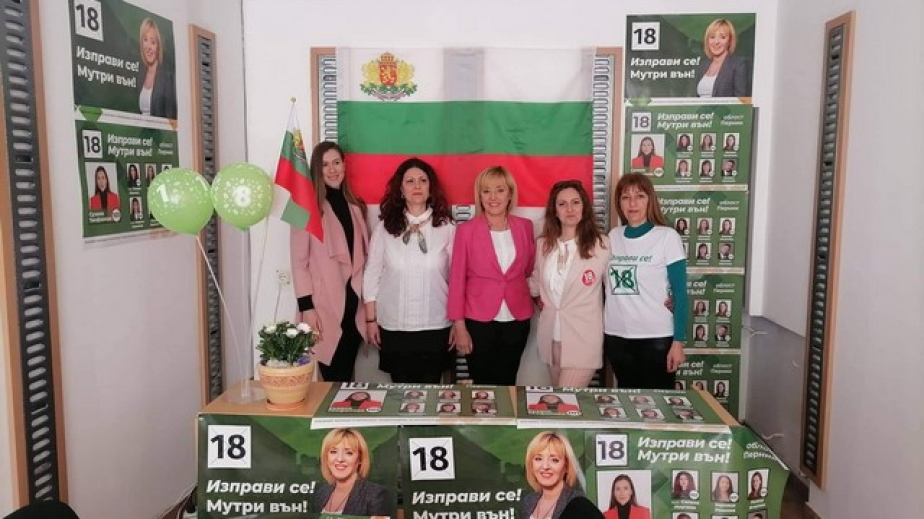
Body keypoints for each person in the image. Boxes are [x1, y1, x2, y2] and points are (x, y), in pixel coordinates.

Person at [364, 158, 455, 383]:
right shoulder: (384, 228)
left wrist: (458, 322)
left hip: (436, 325)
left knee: (431, 393)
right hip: (395, 326)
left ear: (431, 188)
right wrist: (370, 320)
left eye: (423, 180)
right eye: (410, 181)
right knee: (400, 394)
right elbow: (372, 273)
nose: (417, 186)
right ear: (401, 189)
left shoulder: (447, 228)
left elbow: (457, 278)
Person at [448, 166, 535, 385]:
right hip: (478, 321)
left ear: (510, 194)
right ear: (479, 196)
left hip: (517, 319)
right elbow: (457, 280)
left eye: (500, 190)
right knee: (482, 386)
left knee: (508, 381)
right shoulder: (466, 231)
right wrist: (459, 326)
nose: (493, 197)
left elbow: (528, 269)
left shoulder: (525, 227)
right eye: (486, 191)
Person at [291, 142, 369, 382]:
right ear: (317, 169)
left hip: (354, 309)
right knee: (332, 382)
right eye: (325, 165)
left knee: (346, 381)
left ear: (344, 165)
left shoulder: (356, 207)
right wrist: (307, 309)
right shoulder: (303, 208)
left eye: (336, 162)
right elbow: (298, 262)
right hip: (324, 310)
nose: (332, 169)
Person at [604, 174, 687, 390]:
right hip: (617, 336)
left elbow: (680, 293)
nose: (632, 203)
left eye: (639, 196)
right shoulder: (612, 237)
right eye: (626, 197)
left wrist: (678, 342)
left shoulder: (667, 237)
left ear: (650, 200)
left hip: (656, 338)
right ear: (619, 203)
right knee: (627, 401)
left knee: (657, 404)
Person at [530, 180, 609, 387]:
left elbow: (615, 289)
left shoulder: (601, 244)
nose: (570, 209)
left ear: (584, 207)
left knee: (565, 400)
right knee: (559, 400)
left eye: (575, 202)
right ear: (555, 211)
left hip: (583, 339)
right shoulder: (543, 245)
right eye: (562, 204)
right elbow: (535, 285)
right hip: (551, 339)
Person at [315, 428, 389, 516]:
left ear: (360, 459)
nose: (340, 459)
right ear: (326, 457)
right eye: (333, 452)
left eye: (349, 453)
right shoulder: (321, 493)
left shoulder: (375, 495)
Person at [521, 432, 586, 519]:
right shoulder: (528, 501)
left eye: (554, 460)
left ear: (566, 466)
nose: (545, 466)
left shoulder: (578, 503)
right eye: (538, 459)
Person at [696, 19, 750, 98]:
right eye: (712, 37)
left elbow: (742, 101)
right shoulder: (703, 65)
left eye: (722, 37)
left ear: (729, 41)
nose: (716, 42)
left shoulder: (738, 65)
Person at [137, 18, 177, 118]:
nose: (149, 47)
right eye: (145, 40)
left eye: (153, 42)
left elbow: (171, 117)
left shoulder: (167, 77)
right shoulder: (140, 74)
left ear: (158, 48)